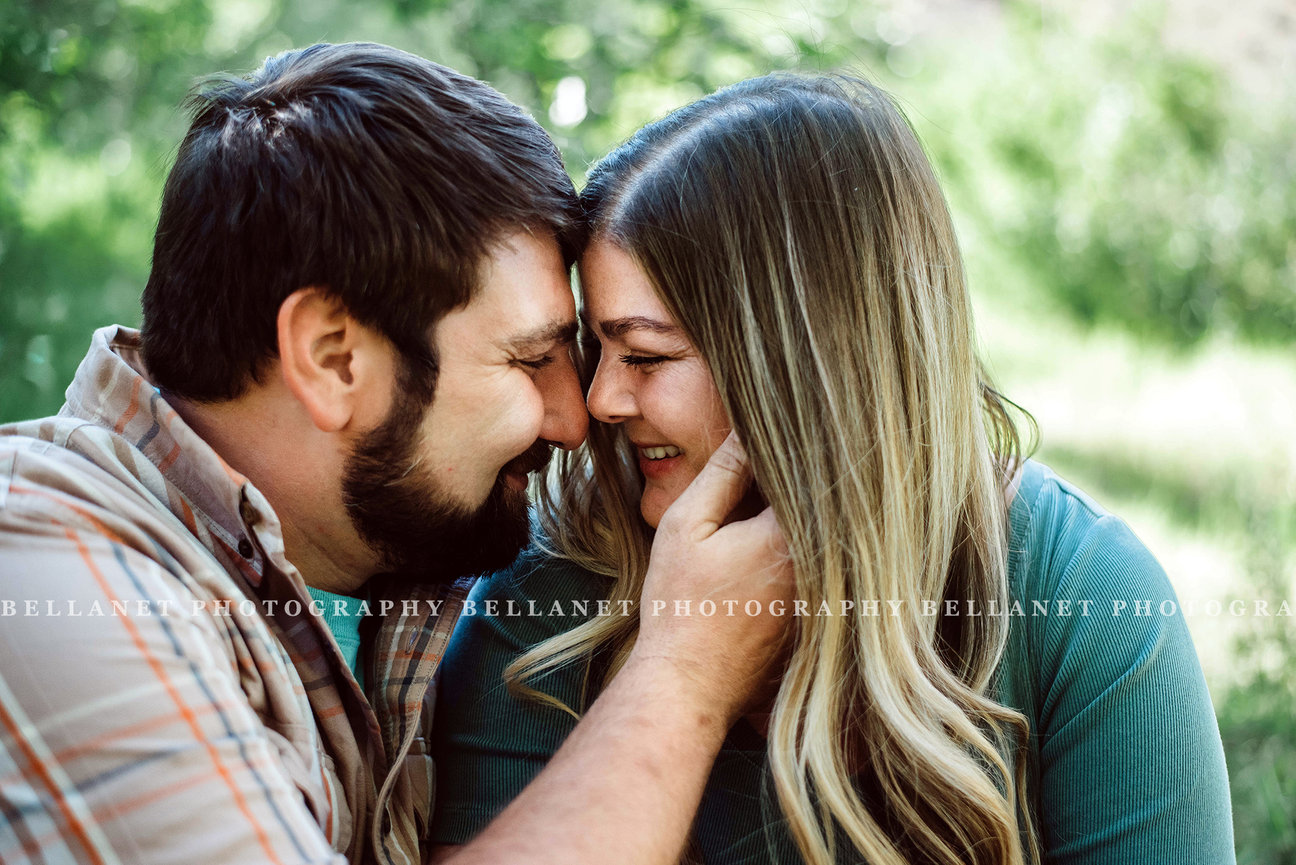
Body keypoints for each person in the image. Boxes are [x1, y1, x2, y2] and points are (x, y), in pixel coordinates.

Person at [0, 43, 793, 865]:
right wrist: (686, 673)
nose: (574, 416)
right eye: (529, 359)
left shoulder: (385, 567)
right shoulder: (45, 577)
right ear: (333, 358)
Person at [428, 73, 1236, 864]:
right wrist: (680, 671)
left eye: (646, 353)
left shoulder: (1082, 598)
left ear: (809, 373)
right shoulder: (563, 584)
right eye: (595, 349)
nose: (600, 399)